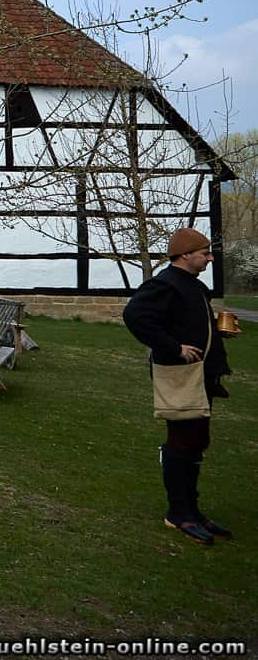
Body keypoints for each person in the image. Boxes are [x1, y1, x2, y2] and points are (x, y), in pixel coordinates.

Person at [122, 227, 233, 545]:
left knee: (197, 441)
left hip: (201, 376)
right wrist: (174, 347)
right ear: (185, 254)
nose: (210, 257)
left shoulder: (192, 285)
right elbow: (135, 315)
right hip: (180, 376)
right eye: (204, 253)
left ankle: (192, 510)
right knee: (181, 442)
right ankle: (178, 513)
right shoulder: (166, 283)